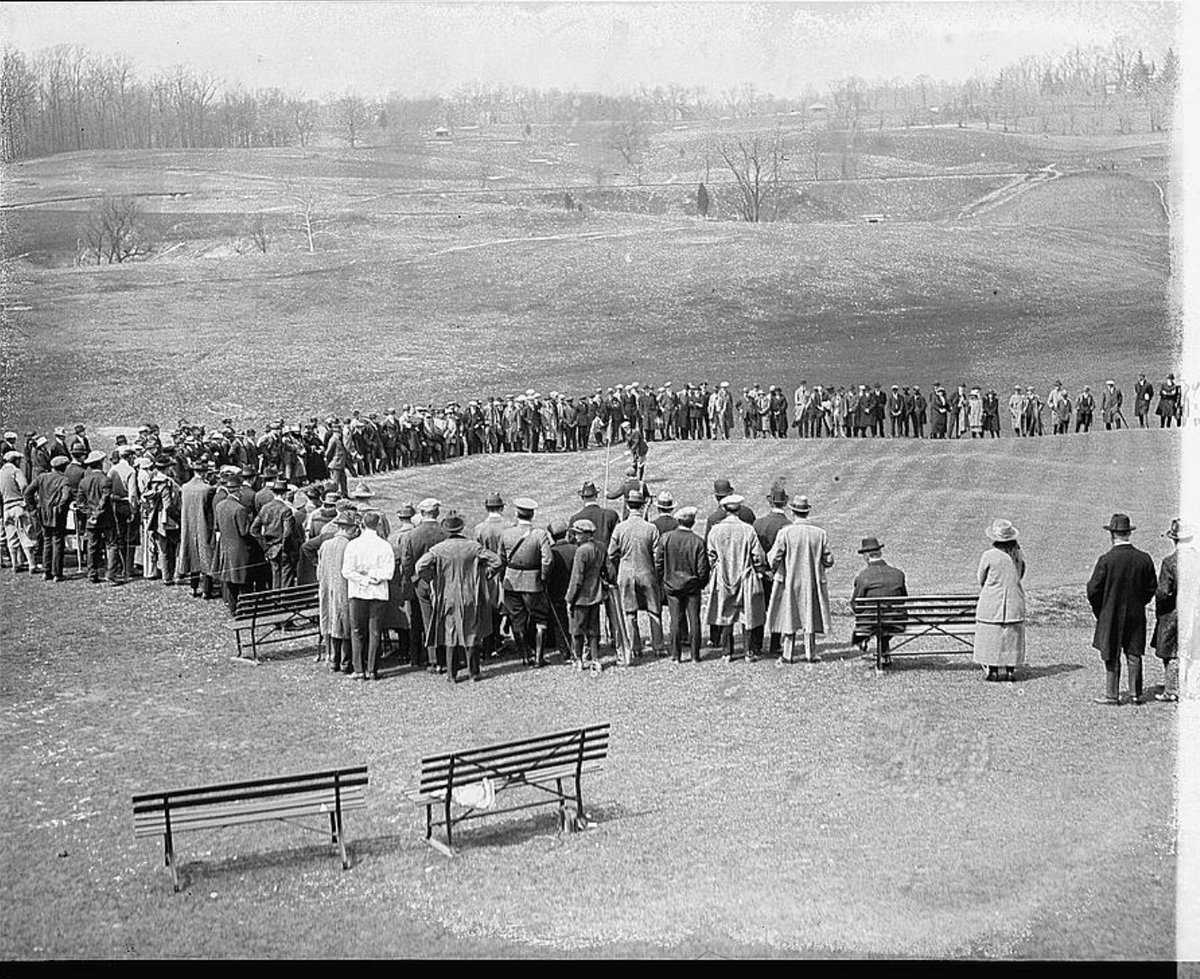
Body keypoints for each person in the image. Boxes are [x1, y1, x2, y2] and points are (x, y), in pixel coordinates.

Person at [415, 510, 503, 683]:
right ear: (461, 528)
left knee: (450, 632)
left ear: (446, 529)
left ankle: (451, 674)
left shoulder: (438, 549)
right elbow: (497, 561)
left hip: (447, 595)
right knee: (471, 631)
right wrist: (488, 575)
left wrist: (431, 578)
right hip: (470, 594)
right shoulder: (473, 547)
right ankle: (473, 672)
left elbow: (420, 566)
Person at [1086, 513, 1157, 705]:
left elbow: (1093, 589)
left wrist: (1102, 609)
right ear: (1128, 533)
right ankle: (1135, 694)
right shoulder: (1144, 559)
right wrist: (1140, 602)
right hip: (1136, 613)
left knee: (1111, 652)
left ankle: (1112, 694)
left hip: (1111, 612)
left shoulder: (1106, 560)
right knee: (1134, 653)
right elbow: (1152, 587)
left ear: (1112, 534)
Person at [765, 494, 833, 664]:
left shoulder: (785, 533)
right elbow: (829, 560)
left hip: (790, 579)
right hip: (812, 580)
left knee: (790, 613)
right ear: (807, 512)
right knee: (809, 613)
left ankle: (788, 653)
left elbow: (774, 557)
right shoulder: (820, 534)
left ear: (793, 512)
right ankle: (810, 652)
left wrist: (773, 569)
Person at [706, 494, 768, 662]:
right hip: (745, 575)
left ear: (725, 510)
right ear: (739, 509)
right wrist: (760, 570)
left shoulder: (715, 530)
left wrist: (716, 567)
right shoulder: (748, 530)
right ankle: (748, 652)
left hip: (723, 576)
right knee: (746, 614)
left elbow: (710, 555)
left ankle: (727, 652)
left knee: (726, 614)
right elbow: (758, 556)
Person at [607, 489, 664, 663]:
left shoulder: (620, 528)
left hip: (626, 573)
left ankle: (635, 647)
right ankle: (658, 647)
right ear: (642, 505)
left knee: (630, 612)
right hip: (647, 572)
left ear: (627, 505)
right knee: (654, 610)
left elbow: (611, 553)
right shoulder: (651, 528)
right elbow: (657, 554)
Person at [499, 497, 554, 667]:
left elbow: (500, 558)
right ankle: (538, 657)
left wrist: (504, 578)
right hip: (533, 581)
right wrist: (544, 577)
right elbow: (547, 560)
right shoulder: (540, 534)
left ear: (517, 514)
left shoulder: (506, 534)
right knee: (540, 618)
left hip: (512, 581)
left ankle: (525, 657)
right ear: (532, 515)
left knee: (517, 619)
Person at [341, 510, 395, 681]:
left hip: (358, 592)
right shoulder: (385, 546)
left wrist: (364, 578)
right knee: (375, 631)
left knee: (357, 630)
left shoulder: (353, 545)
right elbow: (388, 573)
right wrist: (373, 577)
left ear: (362, 524)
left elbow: (347, 571)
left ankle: (359, 669)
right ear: (378, 524)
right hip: (377, 592)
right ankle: (372, 669)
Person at [973, 519, 1027, 682]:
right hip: (1013, 600)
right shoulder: (1018, 556)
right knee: (1011, 636)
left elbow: (980, 578)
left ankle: (993, 670)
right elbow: (1020, 575)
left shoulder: (989, 555)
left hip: (992, 601)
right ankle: (1010, 670)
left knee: (992, 635)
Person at [655, 506, 710, 663]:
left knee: (675, 620)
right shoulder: (698, 541)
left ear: (678, 520)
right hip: (692, 586)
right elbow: (703, 569)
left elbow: (658, 564)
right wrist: (700, 584)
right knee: (694, 620)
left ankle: (676, 655)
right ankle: (695, 655)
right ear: (693, 522)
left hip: (672, 585)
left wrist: (663, 580)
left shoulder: (666, 538)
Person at [849, 537, 907, 666]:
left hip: (872, 622)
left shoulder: (863, 577)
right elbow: (903, 598)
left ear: (865, 556)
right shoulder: (898, 574)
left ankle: (863, 638)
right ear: (880, 553)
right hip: (896, 621)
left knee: (875, 619)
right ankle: (885, 654)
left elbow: (855, 604)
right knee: (886, 617)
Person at [1150, 519, 1190, 702]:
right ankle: (1190, 686)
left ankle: (1172, 689)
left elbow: (1163, 592)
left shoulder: (1170, 562)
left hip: (1174, 612)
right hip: (1194, 612)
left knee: (1172, 652)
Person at [318, 512, 358, 673]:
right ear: (347, 528)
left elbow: (319, 571)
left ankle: (333, 659)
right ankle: (345, 662)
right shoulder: (349, 545)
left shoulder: (326, 545)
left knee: (332, 621)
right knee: (345, 623)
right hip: (345, 588)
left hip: (327, 588)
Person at [565, 518, 606, 671]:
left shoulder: (581, 551)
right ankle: (595, 659)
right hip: (596, 594)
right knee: (594, 630)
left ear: (586, 534)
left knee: (577, 630)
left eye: (578, 534)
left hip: (581, 597)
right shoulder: (600, 547)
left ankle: (579, 659)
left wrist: (570, 598)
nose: (576, 536)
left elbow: (577, 578)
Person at [24, 455, 71, 581]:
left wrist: (33, 508)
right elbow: (66, 497)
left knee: (47, 541)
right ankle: (57, 573)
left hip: (43, 513)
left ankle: (46, 571)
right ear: (64, 467)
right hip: (57, 515)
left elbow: (28, 492)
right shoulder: (64, 480)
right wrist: (60, 508)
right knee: (58, 542)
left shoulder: (42, 477)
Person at [177, 461, 218, 599]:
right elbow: (211, 511)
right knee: (206, 555)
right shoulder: (208, 489)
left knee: (192, 554)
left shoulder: (185, 487)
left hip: (188, 525)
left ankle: (193, 587)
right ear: (205, 473)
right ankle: (207, 590)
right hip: (204, 525)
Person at [251, 479, 300, 590]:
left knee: (275, 576)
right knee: (286, 578)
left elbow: (253, 530)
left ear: (273, 493)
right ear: (285, 494)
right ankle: (284, 601)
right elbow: (287, 533)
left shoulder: (265, 508)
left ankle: (275, 602)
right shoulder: (285, 510)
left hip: (271, 548)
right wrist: (286, 548)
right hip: (283, 548)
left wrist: (265, 546)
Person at [1, 449, 39, 574]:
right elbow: (24, 486)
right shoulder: (16, 471)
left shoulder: (1, 472)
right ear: (15, 460)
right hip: (18, 505)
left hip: (6, 507)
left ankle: (15, 563)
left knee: (11, 536)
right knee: (26, 534)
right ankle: (32, 564)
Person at [545, 519, 577, 658]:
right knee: (577, 618)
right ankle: (579, 646)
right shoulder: (575, 549)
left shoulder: (551, 552)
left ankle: (564, 649)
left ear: (552, 536)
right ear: (565, 533)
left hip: (557, 591)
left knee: (560, 621)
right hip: (575, 590)